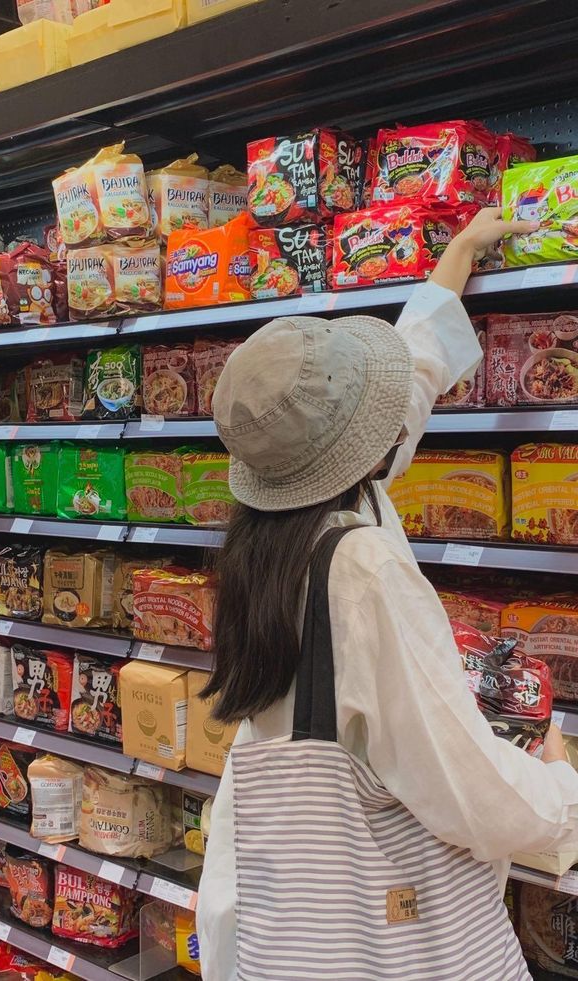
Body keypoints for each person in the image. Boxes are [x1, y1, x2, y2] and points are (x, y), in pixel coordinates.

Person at [196, 208, 578, 980]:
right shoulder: (361, 568)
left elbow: (406, 379)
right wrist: (562, 788)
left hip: (284, 915)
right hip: (386, 935)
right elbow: (464, 786)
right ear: (357, 447)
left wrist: (460, 254)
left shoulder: (265, 535)